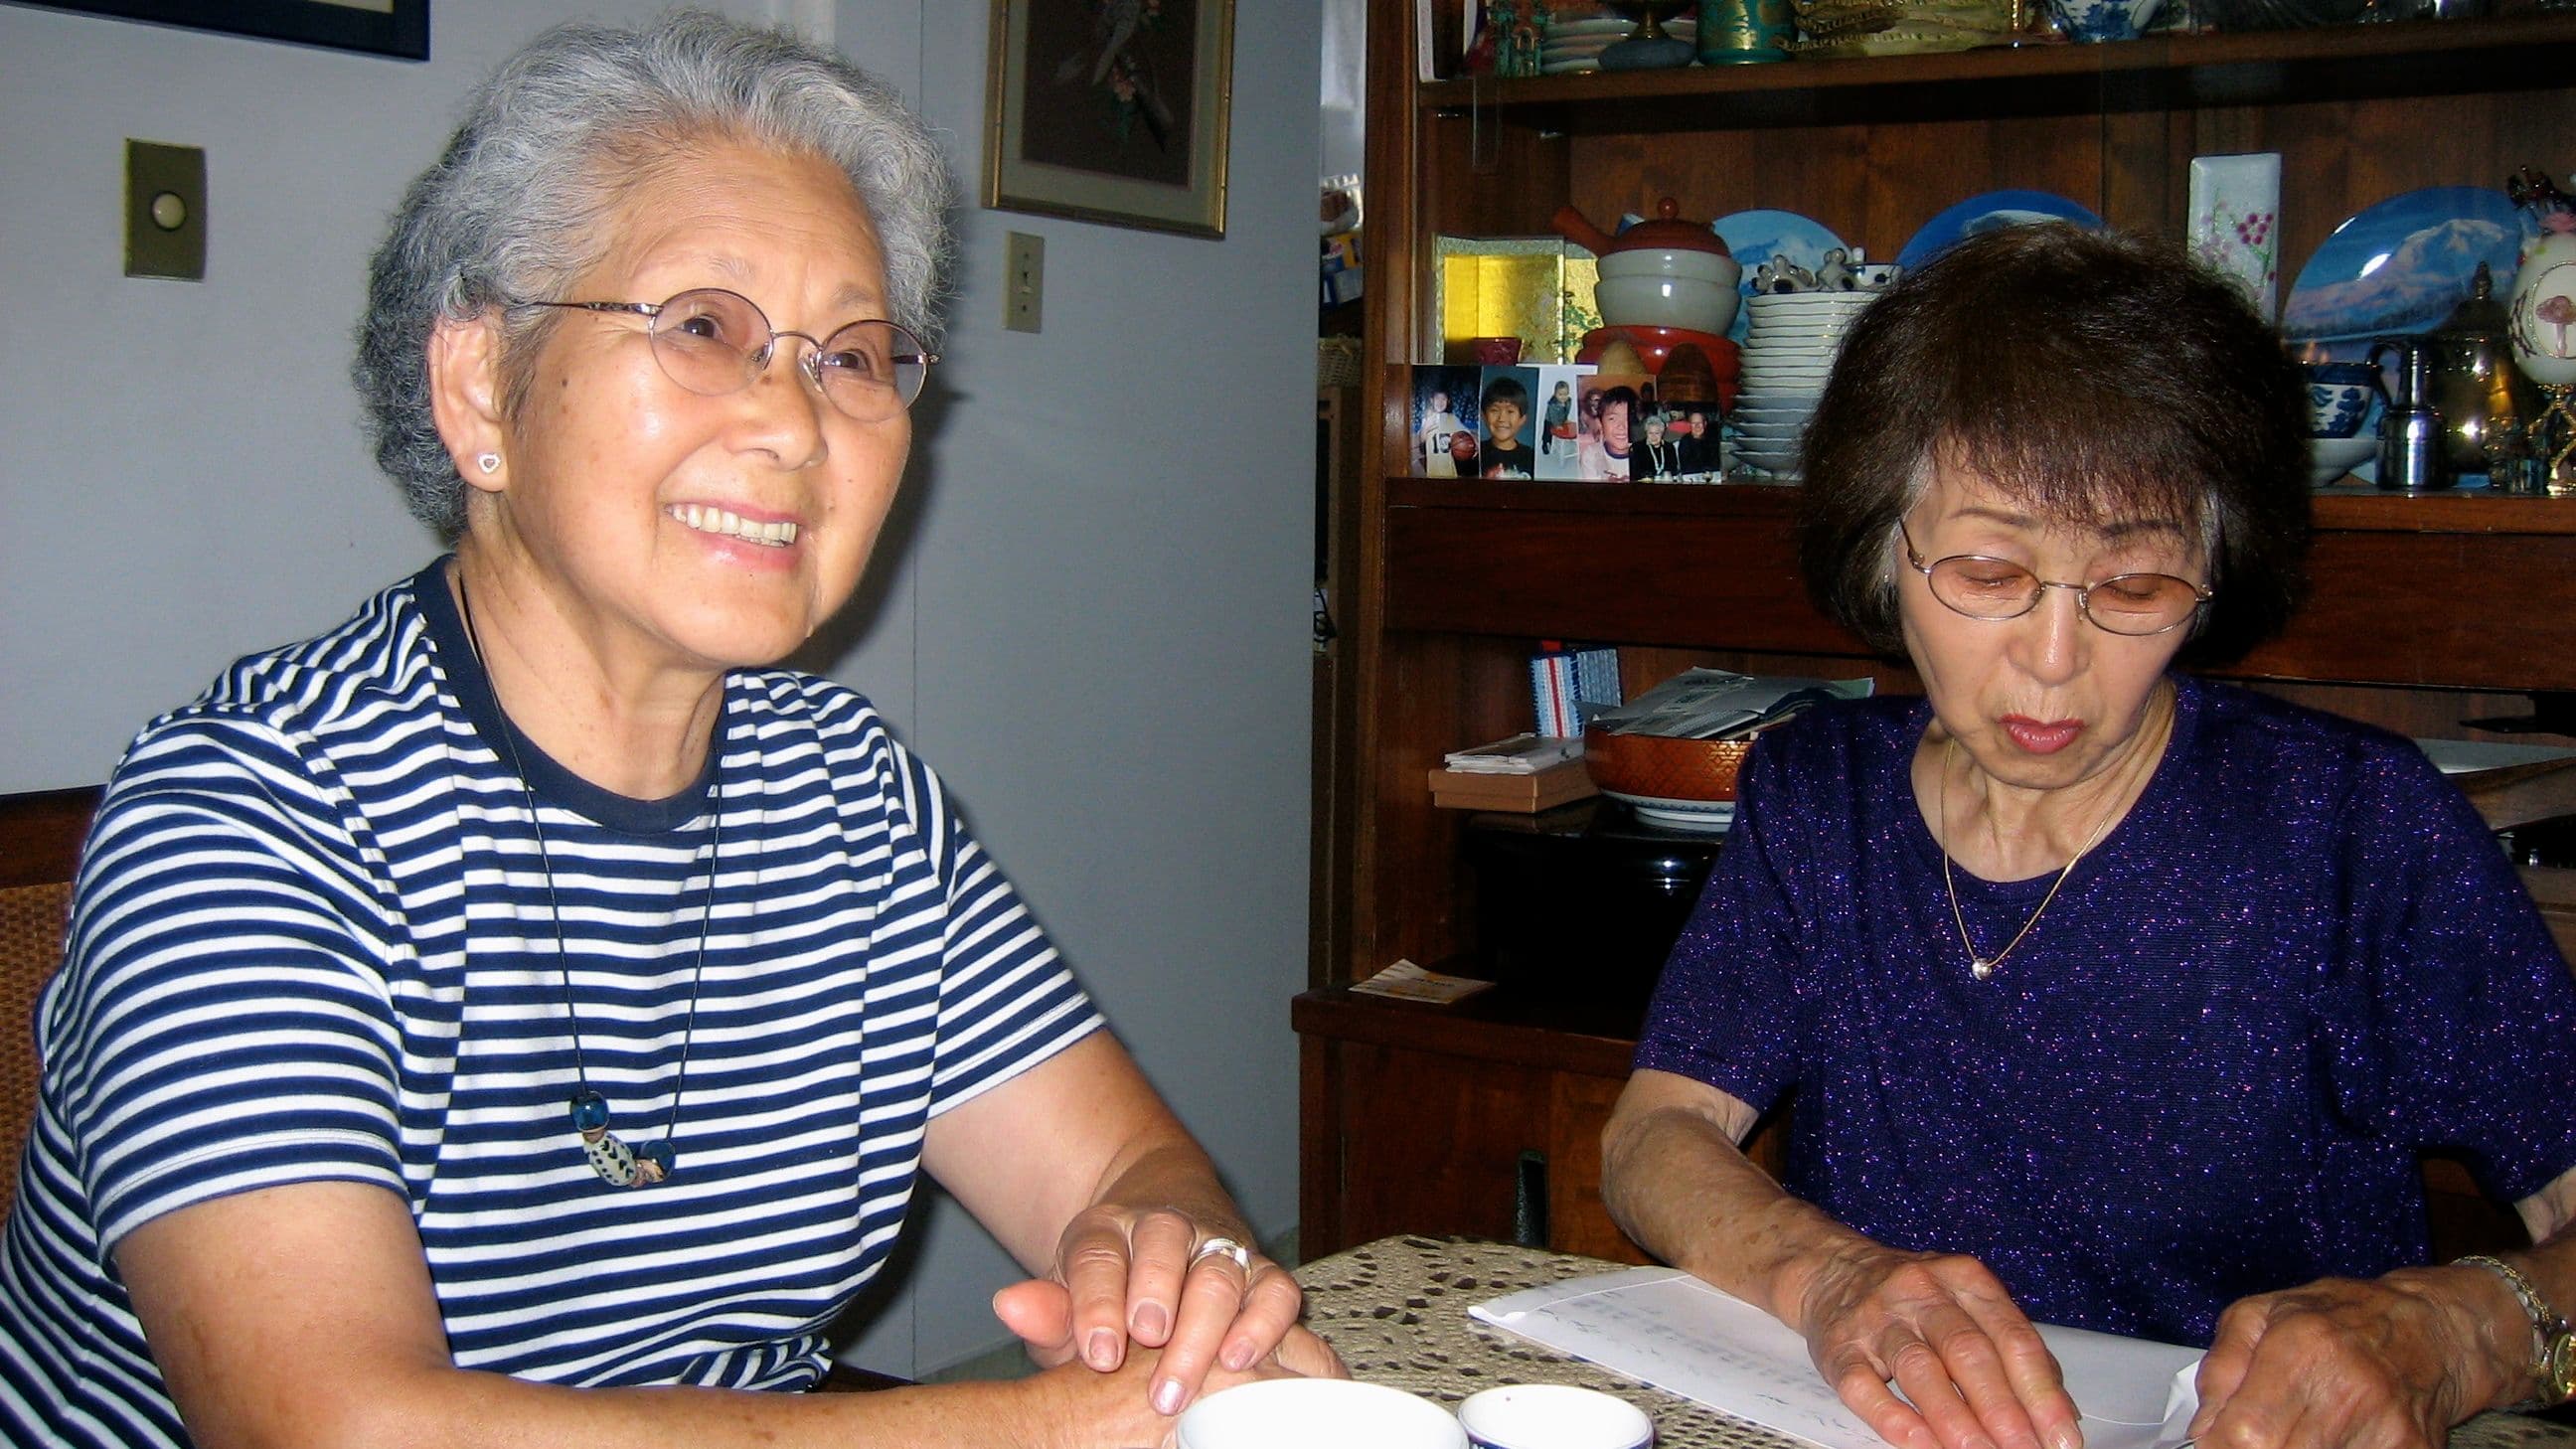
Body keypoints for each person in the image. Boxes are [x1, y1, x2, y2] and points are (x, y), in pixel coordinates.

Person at [0, 15, 1337, 1448]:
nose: (794, 425)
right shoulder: (250, 814)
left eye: (854, 356)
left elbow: (1129, 1161)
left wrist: (1178, 1265)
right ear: (477, 390)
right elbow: (337, 1428)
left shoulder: (856, 804)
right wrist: (1039, 1430)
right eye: (705, 326)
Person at [1600, 224, 2576, 1449]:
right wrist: (1831, 1276)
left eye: (2134, 587)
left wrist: (2457, 1333)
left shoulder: (2352, 831)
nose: (2054, 664)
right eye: (1990, 571)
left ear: (2214, 574)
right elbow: (1658, 1134)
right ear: (1884, 551)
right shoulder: (1820, 800)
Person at [1480, 374, 1533, 479]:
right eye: (1494, 410)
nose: (1502, 419)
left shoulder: (1531, 457)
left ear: (1522, 419)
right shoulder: (1475, 454)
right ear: (1484, 416)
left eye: (1510, 411)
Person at [1579, 385, 1637, 483]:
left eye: (1627, 418)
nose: (1621, 426)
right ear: (1600, 423)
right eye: (1612, 419)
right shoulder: (1592, 455)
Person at [1419, 388, 1464, 477]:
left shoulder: (1453, 418)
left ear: (1448, 401)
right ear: (1432, 401)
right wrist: (1426, 428)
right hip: (1433, 472)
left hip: (1450, 471)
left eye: (1443, 399)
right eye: (1437, 398)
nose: (1440, 402)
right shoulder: (1427, 419)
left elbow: (1467, 434)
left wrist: (1474, 442)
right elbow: (1421, 440)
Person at [1542, 379, 1575, 456]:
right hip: (1550, 420)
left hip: (1561, 419)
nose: (1563, 397)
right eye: (1560, 394)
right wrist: (1557, 425)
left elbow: (1566, 411)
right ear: (1555, 394)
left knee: (1564, 427)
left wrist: (1565, 419)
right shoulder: (1553, 404)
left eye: (1565, 394)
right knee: (1547, 434)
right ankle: (1545, 444)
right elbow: (1553, 416)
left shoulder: (1568, 401)